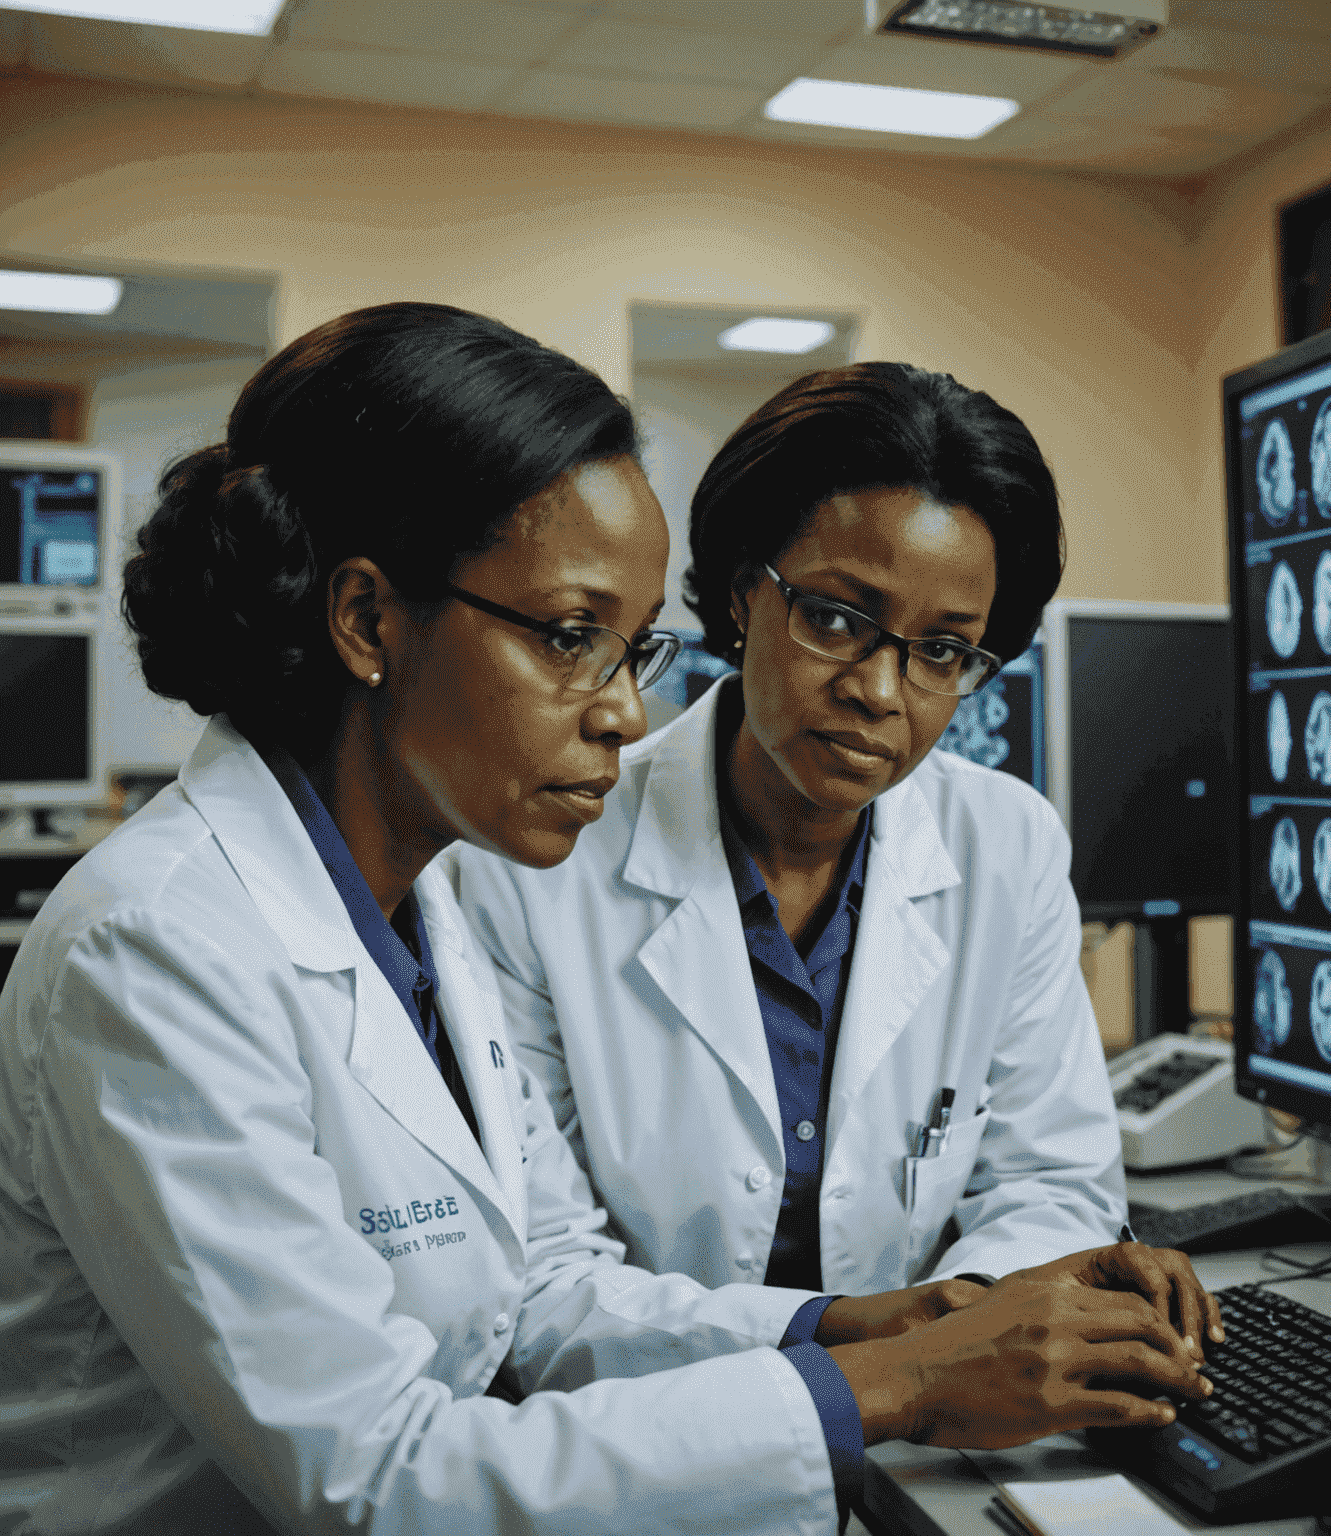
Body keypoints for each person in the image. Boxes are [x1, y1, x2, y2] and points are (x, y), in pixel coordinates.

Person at [0, 308, 1215, 1536]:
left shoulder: (415, 919)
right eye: (575, 637)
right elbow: (375, 1476)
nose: (629, 717)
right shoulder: (155, 948)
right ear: (368, 620)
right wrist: (887, 1384)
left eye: (635, 649)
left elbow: (524, 1302)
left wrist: (863, 1325)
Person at [447, 364, 1210, 1306]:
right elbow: (547, 1269)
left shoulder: (1004, 844)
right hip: (655, 1424)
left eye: (941, 650)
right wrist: (900, 1354)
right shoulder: (536, 856)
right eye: (837, 618)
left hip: (940, 1428)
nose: (880, 692)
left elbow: (1050, 1184)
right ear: (740, 595)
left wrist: (964, 1317)